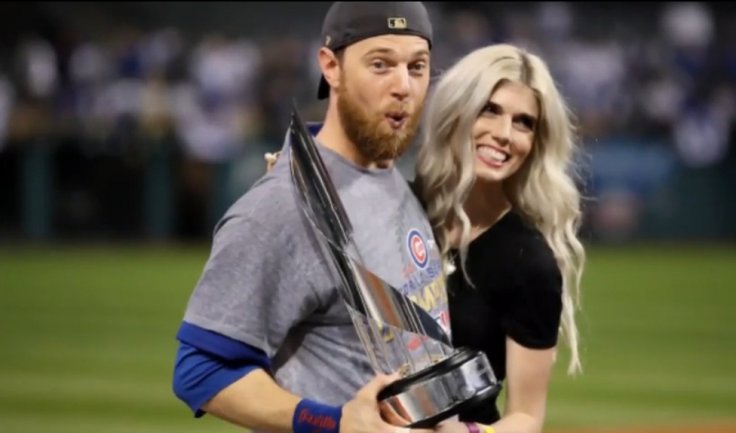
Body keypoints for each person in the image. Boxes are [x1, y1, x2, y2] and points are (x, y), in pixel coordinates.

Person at [172, 3, 450, 433]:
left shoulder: (390, 175)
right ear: (330, 66)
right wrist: (335, 422)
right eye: (380, 64)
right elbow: (200, 370)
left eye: (417, 67)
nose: (403, 86)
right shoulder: (282, 206)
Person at [411, 43, 587, 433]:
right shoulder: (395, 209)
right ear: (457, 110)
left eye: (524, 122)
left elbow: (525, 417)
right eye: (490, 110)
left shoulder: (527, 261)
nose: (505, 134)